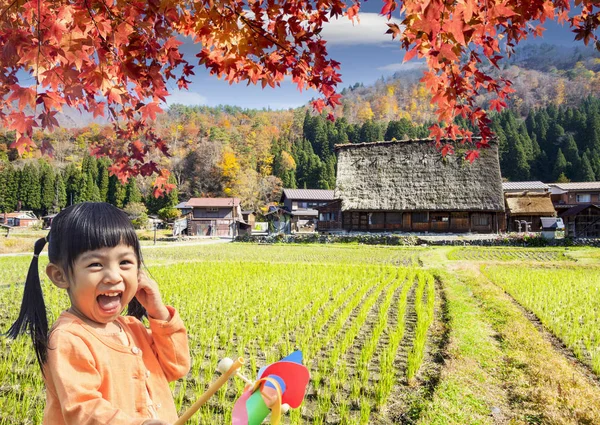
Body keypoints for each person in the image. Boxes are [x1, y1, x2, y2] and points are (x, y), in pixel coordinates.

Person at [7, 202, 191, 425]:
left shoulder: (133, 327)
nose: (114, 276)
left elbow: (177, 368)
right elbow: (83, 409)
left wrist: (159, 313)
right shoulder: (69, 338)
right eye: (95, 264)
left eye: (125, 262)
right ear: (59, 275)